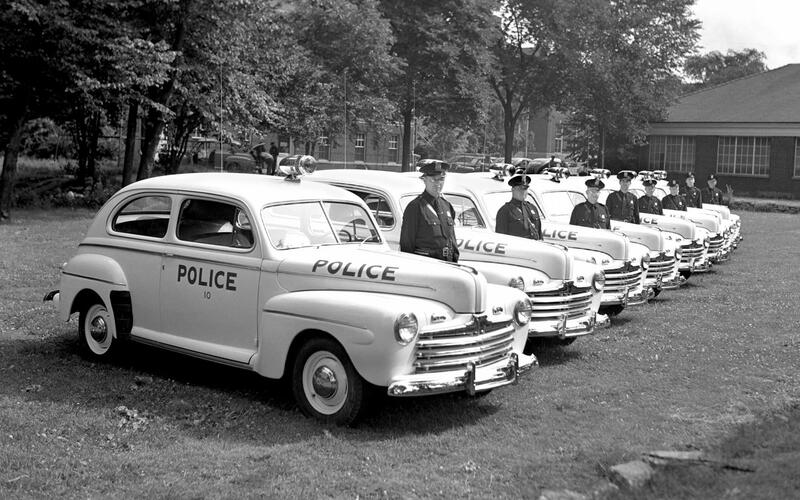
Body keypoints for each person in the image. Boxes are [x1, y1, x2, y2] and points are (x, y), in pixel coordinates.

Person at [399, 160, 459, 262]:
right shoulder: (415, 207)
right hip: (425, 265)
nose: (438, 183)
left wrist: (455, 259)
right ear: (424, 179)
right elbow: (407, 244)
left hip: (447, 264)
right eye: (433, 180)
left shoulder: (447, 206)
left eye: (441, 179)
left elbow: (451, 239)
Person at [495, 172, 542, 240]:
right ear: (513, 190)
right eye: (520, 189)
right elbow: (501, 239)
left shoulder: (532, 208)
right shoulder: (505, 211)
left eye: (525, 189)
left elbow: (540, 234)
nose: (523, 192)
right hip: (517, 248)